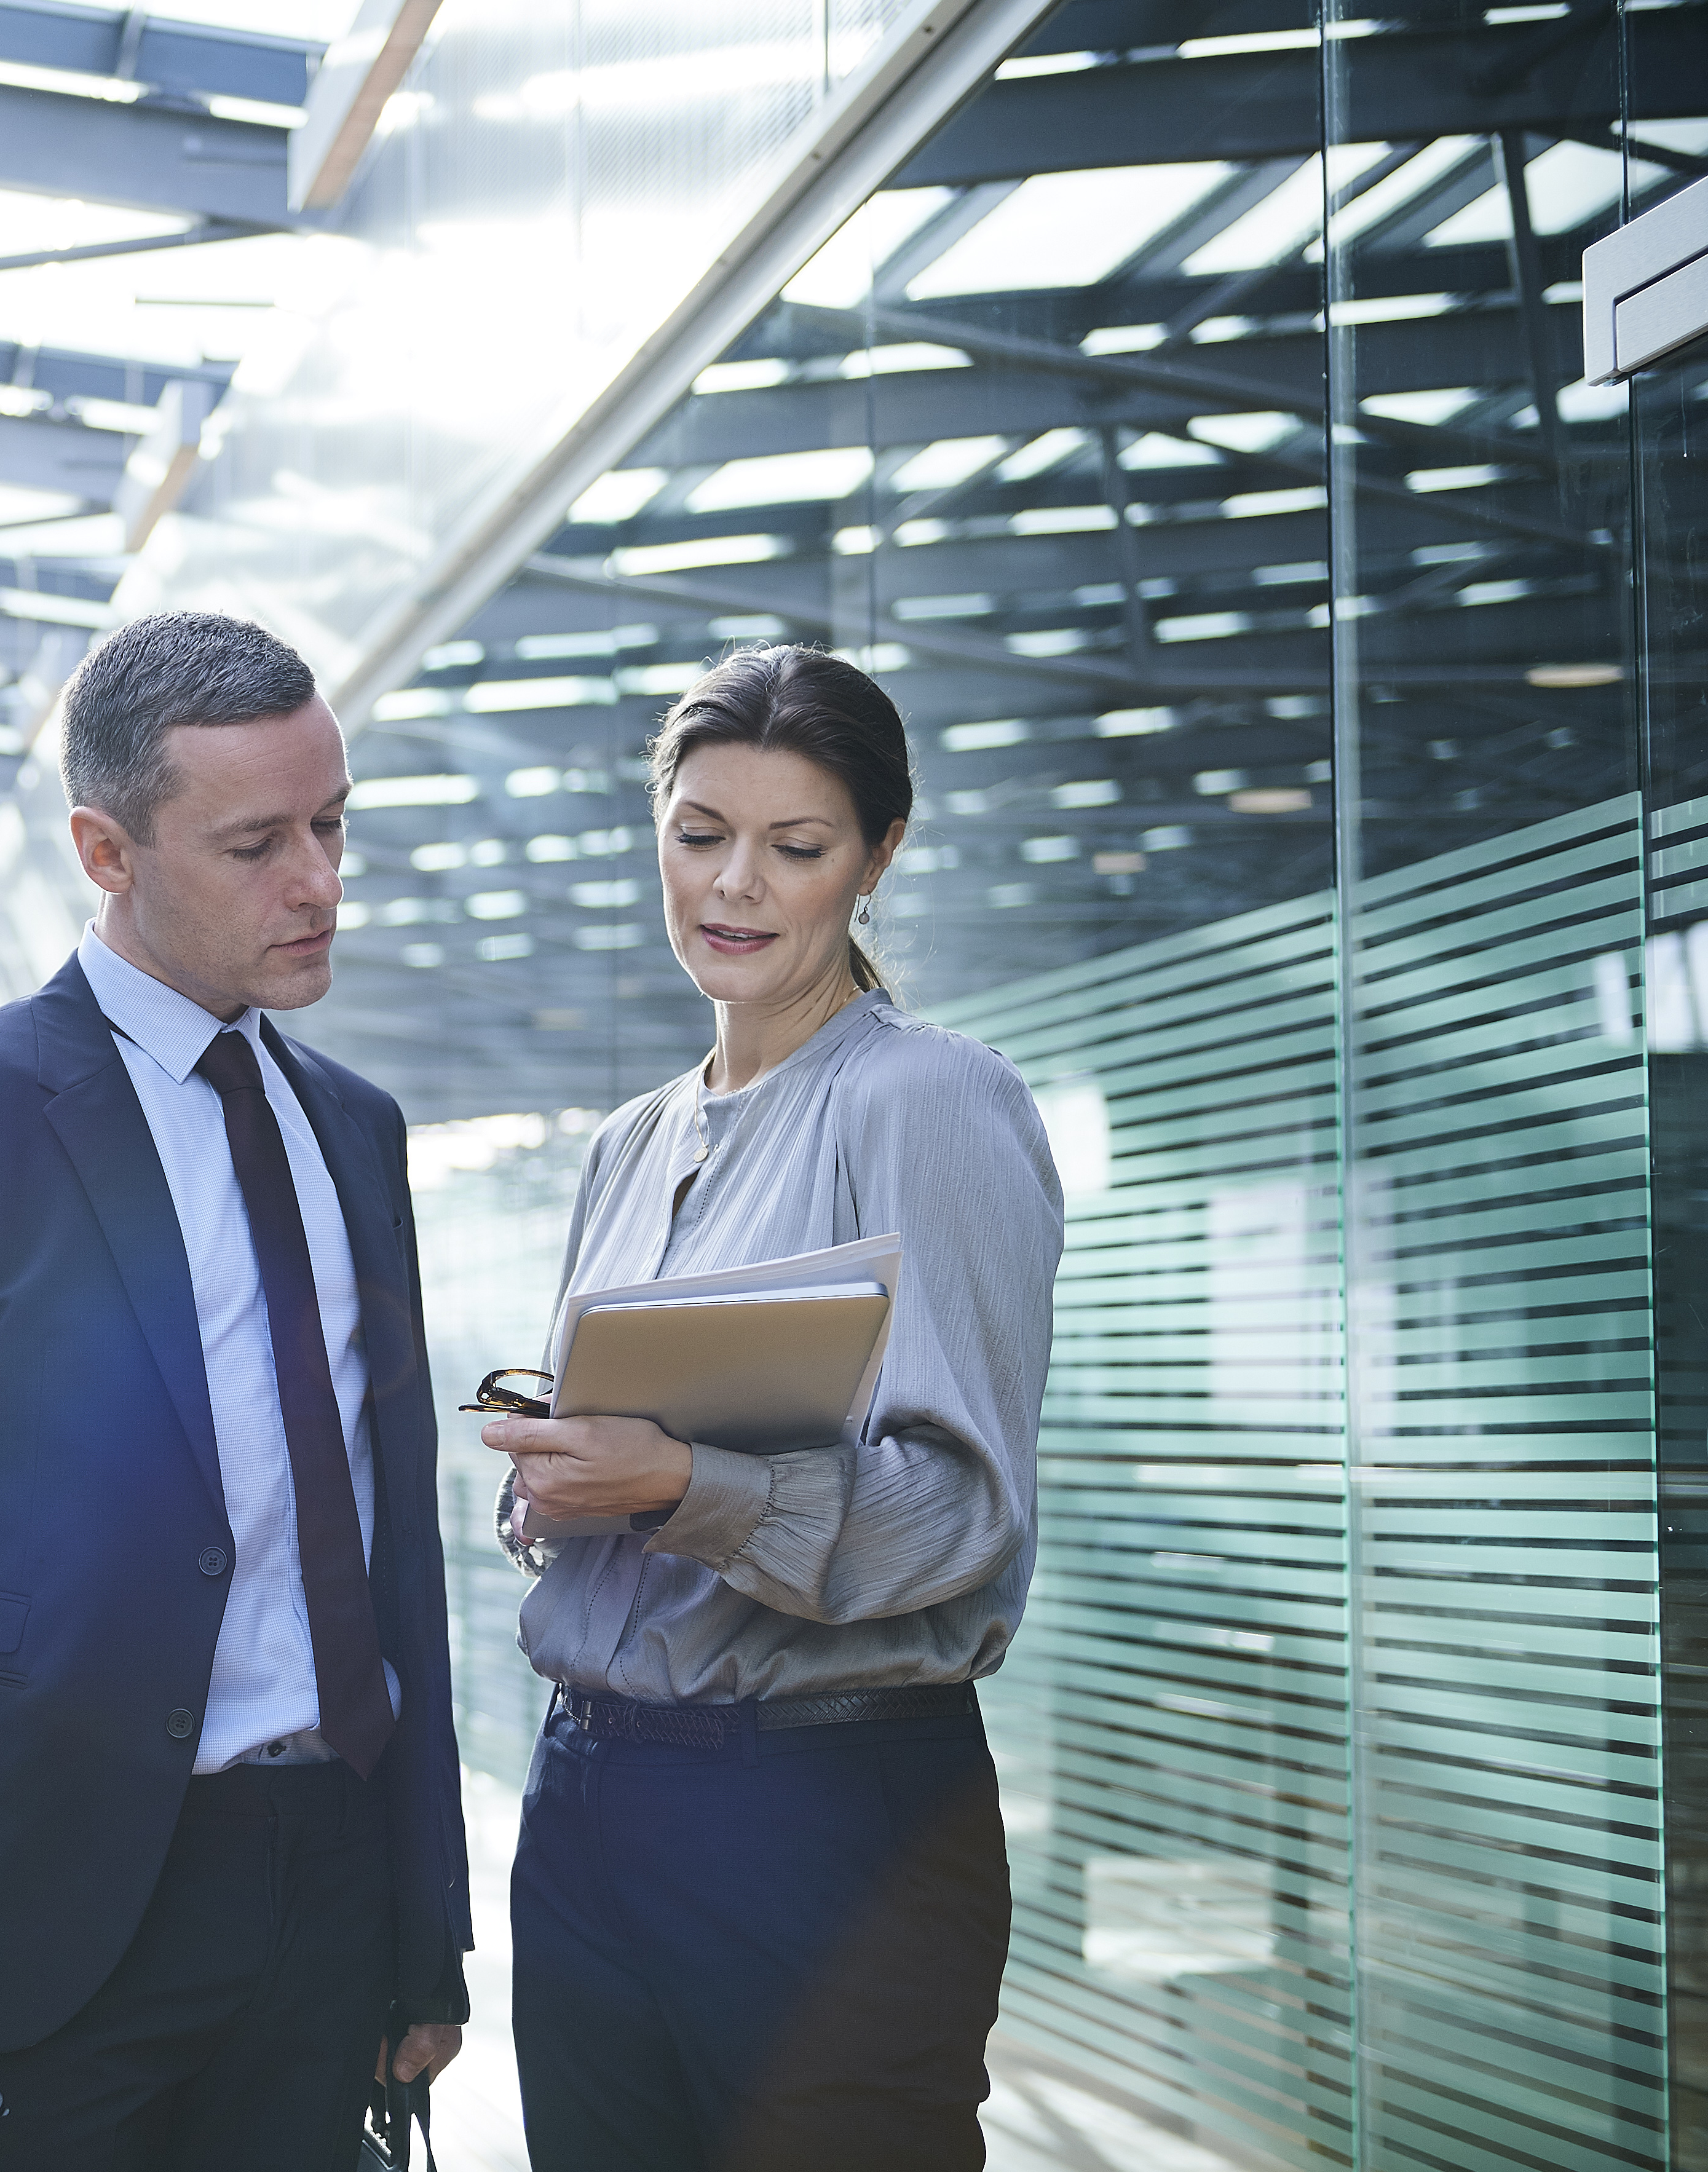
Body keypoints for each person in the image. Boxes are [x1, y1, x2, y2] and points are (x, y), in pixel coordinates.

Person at [0, 611, 472, 2172]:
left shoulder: (355, 1130)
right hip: (58, 1908)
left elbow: (393, 1545)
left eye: (331, 823)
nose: (318, 881)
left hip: (328, 1892)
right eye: (255, 844)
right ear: (107, 849)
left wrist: (424, 1919)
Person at [478, 646, 1062, 2172]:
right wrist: (563, 1480)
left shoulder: (924, 1100)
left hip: (823, 1809)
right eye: (697, 835)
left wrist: (680, 1481)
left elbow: (961, 1511)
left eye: (794, 848)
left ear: (876, 858)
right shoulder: (627, 1143)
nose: (732, 885)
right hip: (592, 1794)